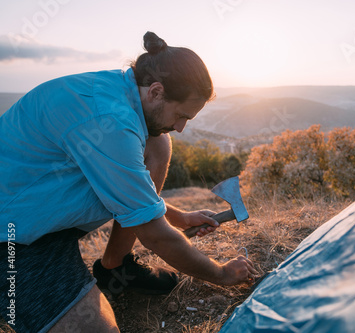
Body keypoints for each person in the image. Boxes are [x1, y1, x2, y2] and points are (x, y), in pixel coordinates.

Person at [0, 31, 258, 332]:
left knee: (157, 143)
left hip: (38, 211)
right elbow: (155, 236)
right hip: (14, 239)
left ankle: (115, 266)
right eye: (181, 115)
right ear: (157, 92)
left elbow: (128, 181)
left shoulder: (122, 90)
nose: (181, 127)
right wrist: (222, 274)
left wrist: (179, 216)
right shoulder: (111, 123)